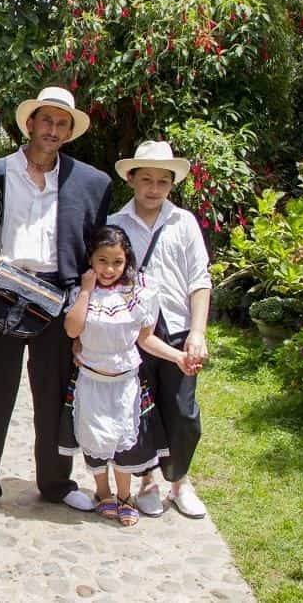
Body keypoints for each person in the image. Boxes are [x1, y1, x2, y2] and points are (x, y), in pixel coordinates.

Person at [0, 86, 112, 516]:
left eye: (62, 124)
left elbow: (98, 251)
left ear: (69, 131)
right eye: (46, 120)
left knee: (56, 394)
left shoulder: (90, 183)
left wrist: (90, 307)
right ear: (29, 124)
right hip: (4, 294)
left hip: (59, 299)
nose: (53, 130)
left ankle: (57, 482)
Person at [60, 225, 196, 527]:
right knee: (93, 436)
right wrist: (85, 290)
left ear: (127, 261)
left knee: (123, 441)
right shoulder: (83, 292)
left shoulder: (139, 292)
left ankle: (125, 495)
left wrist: (178, 357)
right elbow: (72, 329)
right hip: (90, 381)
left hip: (124, 383)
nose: (109, 269)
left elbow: (145, 339)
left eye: (117, 262)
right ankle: (103, 492)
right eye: (102, 261)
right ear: (91, 260)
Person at [108, 140, 211, 519]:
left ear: (171, 184)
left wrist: (198, 333)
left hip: (178, 329)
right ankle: (148, 480)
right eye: (146, 179)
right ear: (131, 179)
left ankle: (180, 482)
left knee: (183, 410)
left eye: (162, 181)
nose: (154, 188)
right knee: (140, 408)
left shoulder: (183, 222)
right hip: (133, 333)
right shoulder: (116, 225)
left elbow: (200, 280)